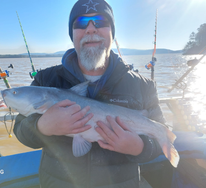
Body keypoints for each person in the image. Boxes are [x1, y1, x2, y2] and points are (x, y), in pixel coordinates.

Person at [14, 0, 166, 187]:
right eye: (81, 23)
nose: (91, 29)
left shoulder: (144, 86)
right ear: (72, 34)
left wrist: (139, 147)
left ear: (112, 32)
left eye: (100, 22)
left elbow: (162, 137)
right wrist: (42, 127)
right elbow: (20, 132)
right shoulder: (45, 80)